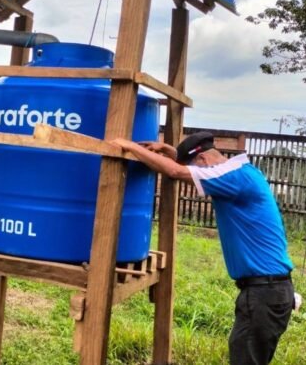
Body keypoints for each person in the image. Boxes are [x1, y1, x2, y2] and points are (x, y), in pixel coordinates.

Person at [112, 131, 295, 365]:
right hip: (270, 290)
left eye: (195, 168)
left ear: (202, 161)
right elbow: (181, 166)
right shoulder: (243, 172)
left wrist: (128, 146)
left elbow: (175, 172)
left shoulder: (234, 178)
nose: (196, 175)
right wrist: (174, 153)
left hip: (264, 293)